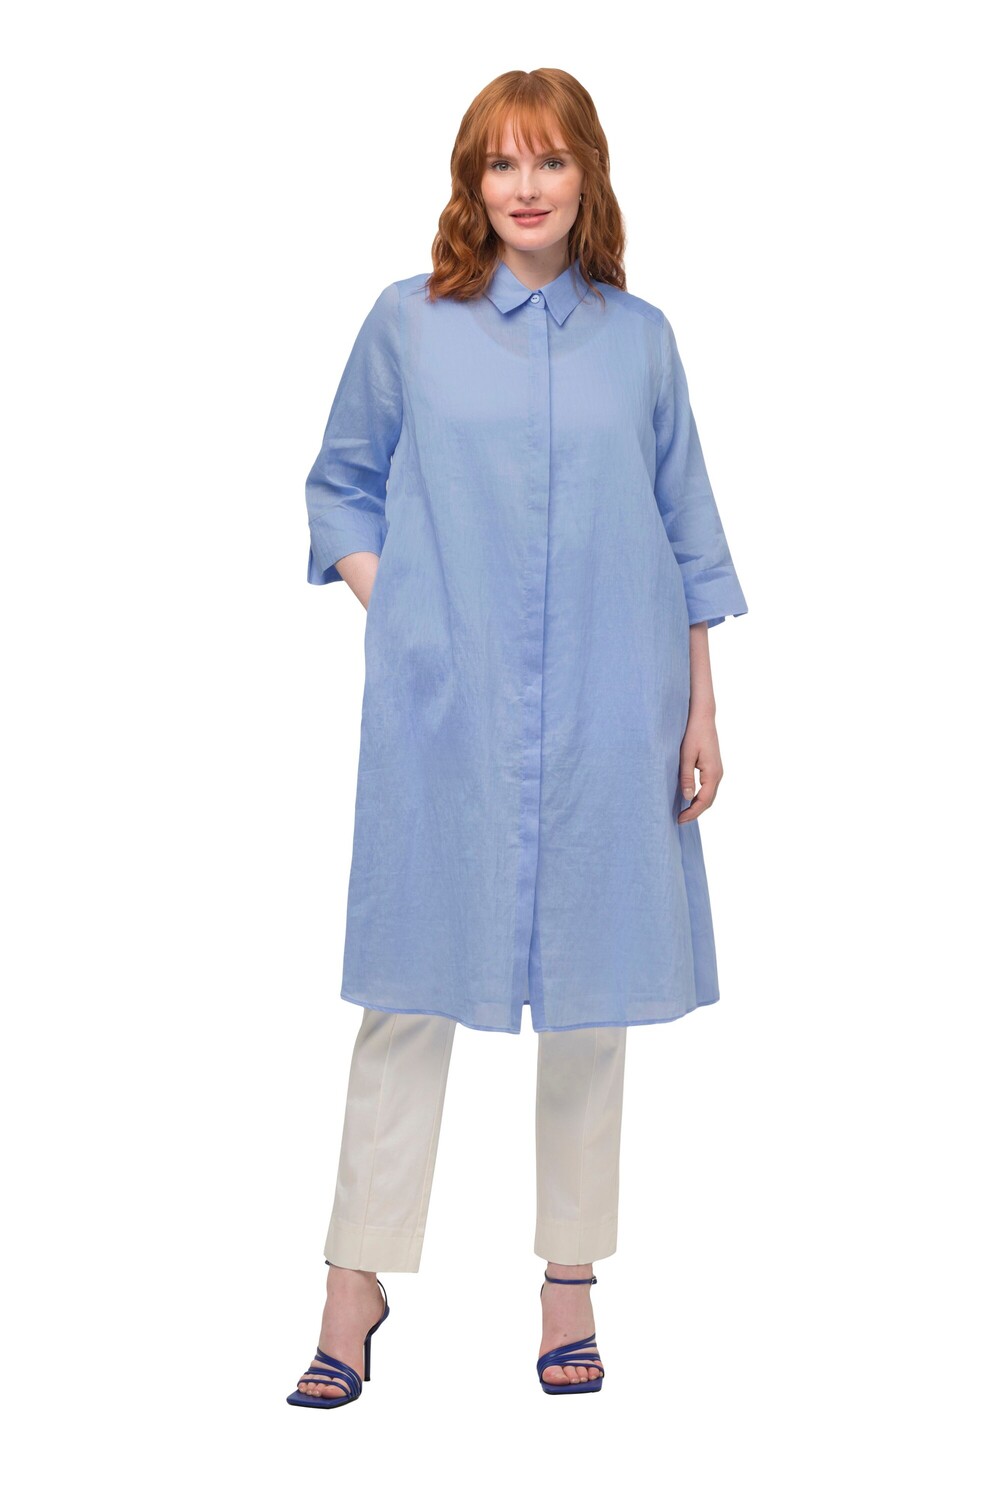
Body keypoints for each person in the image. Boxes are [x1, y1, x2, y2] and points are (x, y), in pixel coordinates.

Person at [288, 67, 749, 1408]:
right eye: (502, 163)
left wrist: (699, 703)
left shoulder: (639, 339)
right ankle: (355, 1280)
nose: (527, 187)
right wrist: (403, 608)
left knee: (594, 998)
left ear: (586, 173)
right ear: (471, 181)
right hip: (447, 707)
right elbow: (340, 485)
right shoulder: (409, 323)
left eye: (550, 161)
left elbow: (687, 526)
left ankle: (569, 1281)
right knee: (407, 984)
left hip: (615, 697)